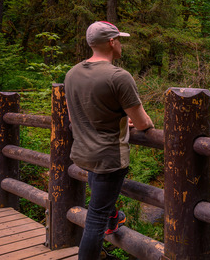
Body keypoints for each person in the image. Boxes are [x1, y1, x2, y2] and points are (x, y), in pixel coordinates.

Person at [64, 21, 154, 260]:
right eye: (119, 40)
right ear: (112, 42)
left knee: (100, 204)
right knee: (95, 219)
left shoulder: (72, 73)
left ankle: (114, 217)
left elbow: (74, 116)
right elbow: (143, 123)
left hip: (83, 153)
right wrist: (137, 120)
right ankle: (109, 221)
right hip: (109, 156)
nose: (121, 44)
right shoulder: (118, 77)